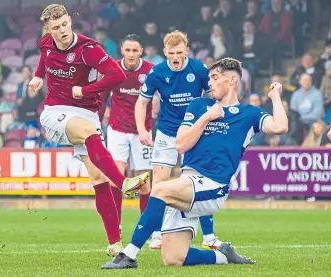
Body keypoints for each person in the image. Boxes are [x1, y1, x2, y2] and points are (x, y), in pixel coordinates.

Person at [101, 58, 288, 269]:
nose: (210, 83)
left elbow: (281, 126)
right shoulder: (199, 105)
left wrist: (275, 97)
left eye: (215, 78)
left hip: (213, 186)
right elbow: (181, 144)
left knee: (160, 189)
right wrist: (206, 117)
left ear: (232, 80)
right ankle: (223, 256)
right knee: (173, 259)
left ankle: (129, 255)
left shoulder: (249, 114)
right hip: (187, 183)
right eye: (209, 79)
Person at [28, 4, 149, 257]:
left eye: (64, 25)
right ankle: (124, 182)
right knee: (87, 132)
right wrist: (38, 77)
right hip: (55, 110)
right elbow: (44, 58)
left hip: (86, 112)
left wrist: (85, 91)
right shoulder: (45, 43)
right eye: (55, 28)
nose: (62, 31)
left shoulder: (89, 50)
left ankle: (114, 243)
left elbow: (115, 75)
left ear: (69, 21)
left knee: (98, 179)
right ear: (47, 30)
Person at [135, 30, 220, 250]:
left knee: (200, 180)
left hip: (193, 132)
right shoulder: (156, 72)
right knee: (160, 183)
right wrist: (142, 130)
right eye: (171, 52)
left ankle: (209, 236)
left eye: (179, 52)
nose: (175, 57)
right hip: (166, 133)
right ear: (165, 52)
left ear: (187, 51)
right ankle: (156, 234)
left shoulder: (199, 69)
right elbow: (141, 103)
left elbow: (215, 96)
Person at [107, 34, 153, 232]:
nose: (131, 54)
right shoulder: (113, 69)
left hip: (142, 132)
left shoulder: (151, 71)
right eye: (128, 50)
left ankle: (145, 227)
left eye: (135, 50)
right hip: (117, 130)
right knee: (115, 179)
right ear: (122, 51)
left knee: (145, 186)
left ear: (141, 51)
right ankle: (115, 226)